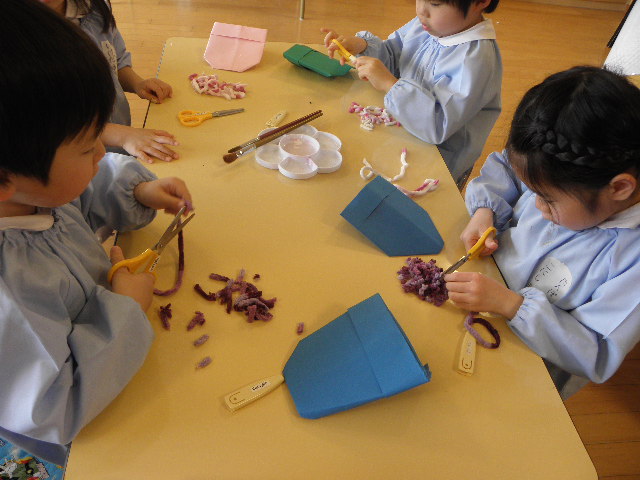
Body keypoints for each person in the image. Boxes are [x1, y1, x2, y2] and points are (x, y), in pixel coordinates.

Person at [0, 0, 193, 473]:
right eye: (90, 147)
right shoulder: (9, 295)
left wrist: (138, 189)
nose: (102, 156)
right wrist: (126, 308)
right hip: (80, 440)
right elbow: (57, 406)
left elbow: (82, 191)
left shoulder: (31, 189)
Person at [444, 66, 640, 399]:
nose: (536, 206)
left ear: (619, 188)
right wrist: (485, 210)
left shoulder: (631, 262)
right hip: (481, 297)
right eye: (532, 192)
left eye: (547, 199)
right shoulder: (556, 162)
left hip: (525, 368)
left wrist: (511, 305)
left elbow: (596, 351)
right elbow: (507, 167)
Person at [322, 0, 502, 189]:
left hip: (437, 165)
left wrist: (390, 84)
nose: (421, 10)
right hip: (403, 137)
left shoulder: (475, 61)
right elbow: (394, 56)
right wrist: (363, 46)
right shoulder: (428, 25)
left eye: (434, 3)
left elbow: (438, 125)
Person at [40, 0, 180, 164]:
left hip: (121, 143)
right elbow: (46, 127)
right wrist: (121, 135)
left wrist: (137, 83)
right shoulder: (19, 45)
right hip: (75, 162)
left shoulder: (95, 8)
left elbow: (114, 60)